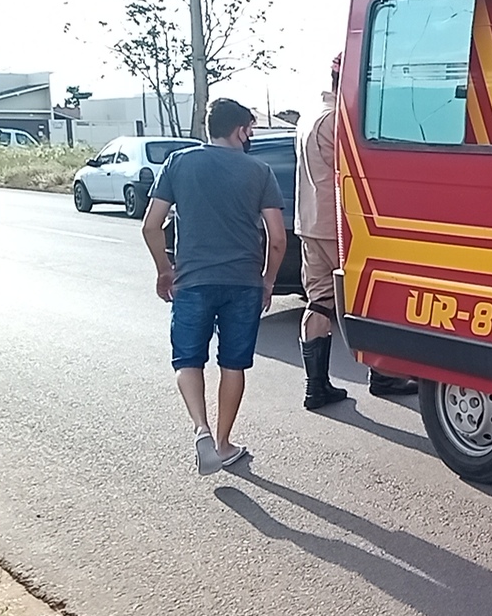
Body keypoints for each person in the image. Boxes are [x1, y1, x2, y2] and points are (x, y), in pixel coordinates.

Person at [140, 98, 285, 475]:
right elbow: (278, 237)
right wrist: (268, 281)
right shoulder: (260, 170)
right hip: (243, 283)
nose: (251, 135)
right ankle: (222, 443)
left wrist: (164, 270)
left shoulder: (179, 163)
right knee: (233, 365)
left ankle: (200, 428)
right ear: (240, 130)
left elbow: (151, 226)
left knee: (188, 359)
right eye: (250, 129)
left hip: (192, 280)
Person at [296, 53, 418, 410]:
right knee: (376, 295)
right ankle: (382, 375)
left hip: (309, 223)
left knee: (319, 300)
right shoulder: (336, 120)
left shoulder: (309, 115)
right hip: (339, 224)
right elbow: (353, 171)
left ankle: (315, 386)